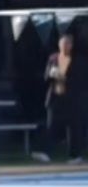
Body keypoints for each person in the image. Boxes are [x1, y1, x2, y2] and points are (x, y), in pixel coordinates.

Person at [34, 34, 83, 164]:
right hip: (55, 97)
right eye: (62, 44)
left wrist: (65, 78)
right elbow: (46, 77)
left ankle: (75, 156)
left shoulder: (77, 60)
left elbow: (81, 79)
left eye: (67, 44)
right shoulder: (53, 58)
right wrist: (52, 75)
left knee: (74, 128)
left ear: (71, 46)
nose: (64, 46)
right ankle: (46, 152)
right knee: (51, 125)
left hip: (72, 99)